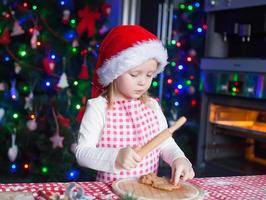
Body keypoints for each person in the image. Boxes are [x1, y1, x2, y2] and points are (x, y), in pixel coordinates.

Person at [75, 25, 194, 185]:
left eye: (149, 75)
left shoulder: (152, 106)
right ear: (115, 72)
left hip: (146, 191)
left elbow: (164, 142)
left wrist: (178, 158)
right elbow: (82, 153)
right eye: (134, 74)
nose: (143, 82)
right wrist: (115, 157)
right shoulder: (98, 108)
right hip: (111, 193)